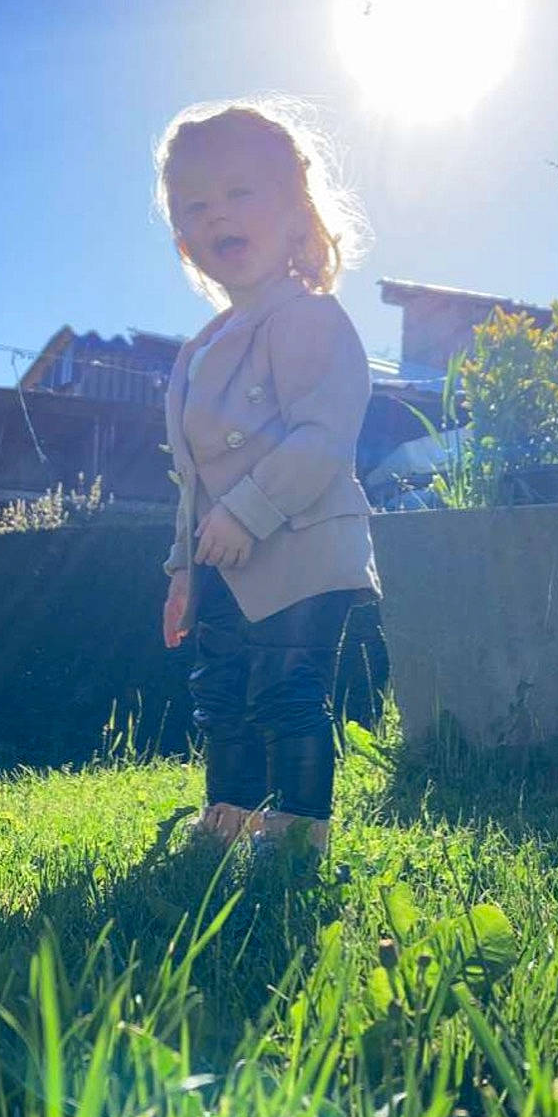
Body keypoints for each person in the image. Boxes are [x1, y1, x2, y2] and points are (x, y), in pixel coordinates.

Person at [152, 97, 382, 864]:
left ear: (294, 213)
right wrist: (182, 572)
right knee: (220, 698)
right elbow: (193, 483)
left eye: (240, 192)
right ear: (188, 243)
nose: (220, 214)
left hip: (304, 550)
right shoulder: (198, 350)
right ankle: (226, 824)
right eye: (198, 205)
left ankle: (296, 842)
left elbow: (323, 437)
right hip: (223, 559)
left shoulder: (309, 318)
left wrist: (249, 512)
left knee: (287, 694)